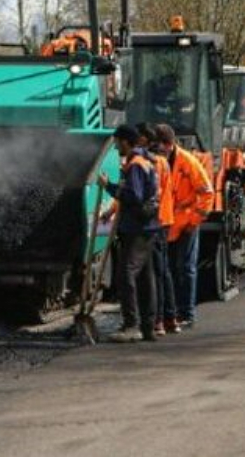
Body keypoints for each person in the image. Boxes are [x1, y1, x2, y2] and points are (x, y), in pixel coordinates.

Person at [99, 125, 160, 343]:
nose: (116, 147)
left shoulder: (135, 165)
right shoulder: (145, 162)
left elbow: (134, 196)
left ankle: (131, 325)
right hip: (147, 226)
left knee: (126, 274)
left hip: (137, 228)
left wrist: (109, 187)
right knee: (145, 277)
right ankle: (147, 327)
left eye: (117, 143)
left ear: (126, 141)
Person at [156, 123, 214, 329]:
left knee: (186, 268)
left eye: (162, 145)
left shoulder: (188, 162)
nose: (159, 150)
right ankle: (172, 313)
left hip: (187, 223)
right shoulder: (160, 162)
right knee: (170, 270)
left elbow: (207, 193)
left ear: (170, 144)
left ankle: (187, 312)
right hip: (169, 224)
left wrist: (194, 221)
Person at [136, 123, 181, 336]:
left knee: (155, 273)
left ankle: (159, 320)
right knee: (164, 271)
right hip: (164, 218)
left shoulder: (152, 162)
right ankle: (170, 317)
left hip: (156, 220)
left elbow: (146, 192)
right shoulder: (163, 161)